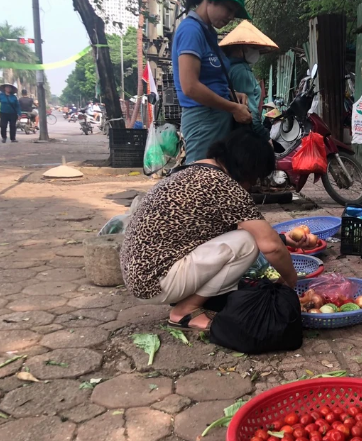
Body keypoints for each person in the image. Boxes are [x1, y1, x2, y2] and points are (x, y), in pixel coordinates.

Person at [120, 128, 315, 331]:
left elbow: (236, 228)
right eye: (255, 178)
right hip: (155, 282)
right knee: (246, 243)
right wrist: (290, 281)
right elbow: (270, 247)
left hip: (141, 275)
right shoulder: (224, 185)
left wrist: (282, 239)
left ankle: (189, 299)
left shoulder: (194, 170)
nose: (252, 185)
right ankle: (184, 312)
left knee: (244, 237)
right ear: (248, 168)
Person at [173, 0, 253, 164]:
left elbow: (210, 80)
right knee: (201, 181)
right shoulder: (191, 31)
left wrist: (232, 95)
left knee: (216, 180)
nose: (231, 16)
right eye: (228, 8)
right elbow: (190, 87)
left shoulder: (207, 32)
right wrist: (233, 107)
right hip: (203, 119)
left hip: (217, 116)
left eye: (234, 12)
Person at [220, 20, 278, 141]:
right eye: (252, 47)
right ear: (241, 48)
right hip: (245, 134)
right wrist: (264, 137)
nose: (255, 51)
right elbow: (250, 112)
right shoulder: (242, 72)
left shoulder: (228, 68)